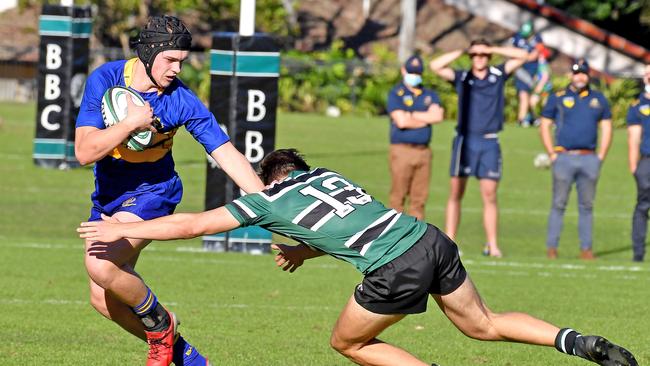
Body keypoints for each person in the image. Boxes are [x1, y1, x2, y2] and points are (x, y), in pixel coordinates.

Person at [77, 148, 638, 366]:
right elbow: (343, 224)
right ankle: (580, 343)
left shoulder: (270, 200)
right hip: (429, 239)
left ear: (272, 181)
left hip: (395, 266)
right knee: (484, 325)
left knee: (348, 343)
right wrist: (304, 248)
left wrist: (130, 225)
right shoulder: (328, 178)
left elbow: (195, 224)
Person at [74, 15, 264, 365]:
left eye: (182, 61)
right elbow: (85, 152)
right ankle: (188, 359)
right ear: (148, 54)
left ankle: (161, 328)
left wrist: (269, 202)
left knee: (99, 264)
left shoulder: (181, 100)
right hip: (109, 195)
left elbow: (226, 154)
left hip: (153, 192)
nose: (177, 69)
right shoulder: (107, 78)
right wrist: (131, 123)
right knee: (103, 301)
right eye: (170, 59)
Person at [429, 39, 529, 257]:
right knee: (456, 192)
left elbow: (524, 56)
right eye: (476, 55)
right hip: (465, 141)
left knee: (490, 194)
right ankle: (450, 242)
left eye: (483, 55)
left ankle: (492, 245)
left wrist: (492, 48)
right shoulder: (463, 77)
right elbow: (435, 66)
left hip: (489, 141)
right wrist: (463, 50)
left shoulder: (498, 74)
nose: (479, 58)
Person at [539, 58, 612, 260]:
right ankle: (552, 248)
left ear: (588, 76)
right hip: (564, 157)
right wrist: (552, 153)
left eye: (583, 73)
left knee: (587, 206)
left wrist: (601, 156)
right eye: (576, 73)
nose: (580, 77)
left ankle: (586, 249)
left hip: (589, 159)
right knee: (558, 204)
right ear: (570, 75)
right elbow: (544, 125)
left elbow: (606, 128)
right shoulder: (558, 98)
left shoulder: (599, 99)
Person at [386, 54, 444, 220]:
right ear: (404, 70)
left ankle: (416, 239)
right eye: (412, 72)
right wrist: (425, 117)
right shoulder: (396, 93)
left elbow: (438, 117)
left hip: (424, 151)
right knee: (398, 198)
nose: (414, 76)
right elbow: (401, 121)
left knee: (419, 200)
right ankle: (394, 237)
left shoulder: (430, 94)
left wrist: (411, 115)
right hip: (402, 150)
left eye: (417, 73)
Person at [626, 63, 650, 262]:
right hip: (646, 162)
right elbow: (633, 138)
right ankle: (638, 253)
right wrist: (634, 166)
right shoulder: (637, 106)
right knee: (642, 206)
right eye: (647, 73)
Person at [510, 20, 545, 127]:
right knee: (523, 95)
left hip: (534, 71)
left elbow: (535, 55)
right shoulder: (517, 37)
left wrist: (524, 56)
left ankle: (533, 118)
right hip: (521, 71)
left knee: (533, 97)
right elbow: (512, 52)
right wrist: (524, 57)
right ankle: (522, 119)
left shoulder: (538, 39)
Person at [529, 44, 553, 124]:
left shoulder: (542, 64)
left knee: (534, 102)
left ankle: (538, 119)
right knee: (543, 104)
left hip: (543, 88)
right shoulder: (542, 64)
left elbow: (544, 77)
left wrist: (538, 88)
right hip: (545, 88)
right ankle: (539, 119)